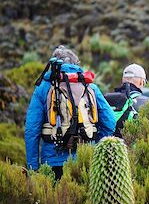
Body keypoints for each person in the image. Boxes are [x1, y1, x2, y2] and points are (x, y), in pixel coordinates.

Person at [25, 45, 116, 180]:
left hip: (53, 162)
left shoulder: (43, 88)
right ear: (76, 64)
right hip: (87, 160)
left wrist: (33, 168)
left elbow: (31, 130)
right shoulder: (90, 87)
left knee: (55, 200)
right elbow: (110, 121)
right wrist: (94, 147)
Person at [105, 63, 149, 138]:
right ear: (141, 81)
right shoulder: (146, 102)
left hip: (107, 145)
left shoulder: (108, 98)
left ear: (123, 80)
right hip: (132, 147)